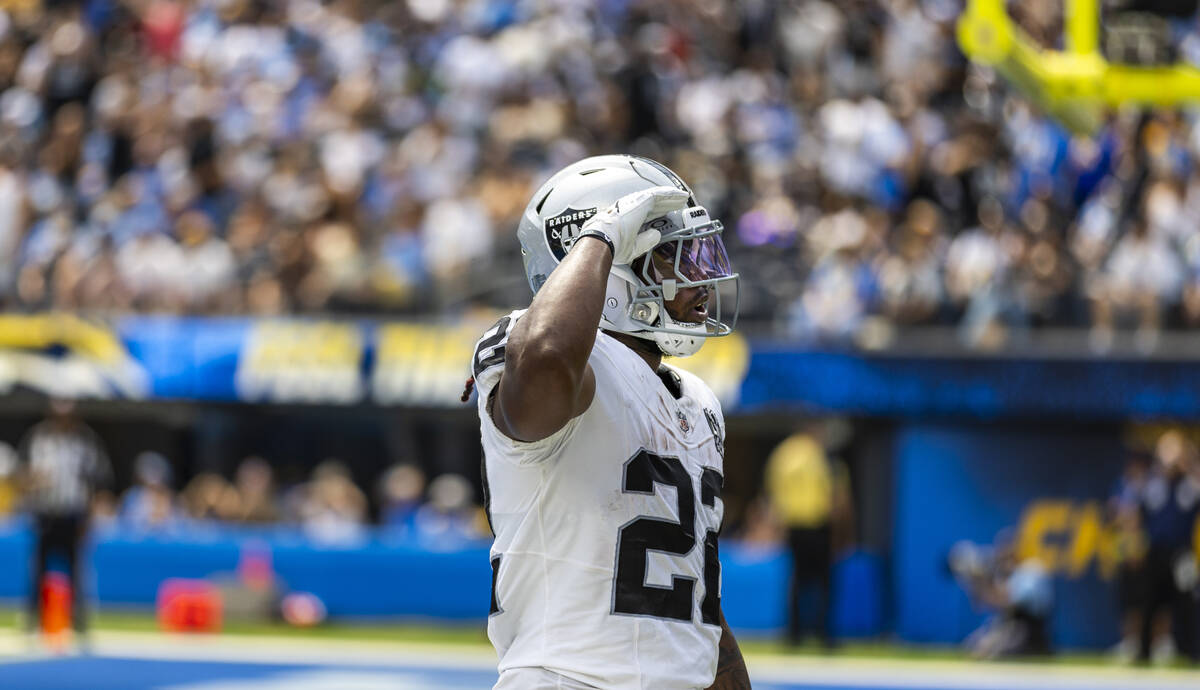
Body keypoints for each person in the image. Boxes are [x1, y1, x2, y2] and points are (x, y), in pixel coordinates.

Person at [469, 155, 749, 689]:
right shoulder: (534, 349)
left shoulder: (697, 400)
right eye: (674, 257)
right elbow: (550, 358)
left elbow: (691, 603)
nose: (702, 278)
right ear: (612, 265)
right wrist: (600, 236)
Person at [17, 398, 112, 638]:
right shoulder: (37, 438)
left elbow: (98, 479)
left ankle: (78, 623)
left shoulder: (85, 440)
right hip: (45, 513)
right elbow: (21, 475)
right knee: (38, 570)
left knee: (76, 571)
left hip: (73, 514)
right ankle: (34, 621)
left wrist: (90, 516)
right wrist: (32, 480)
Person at [764, 427, 850, 648]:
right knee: (824, 582)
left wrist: (779, 523)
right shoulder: (823, 455)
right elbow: (837, 496)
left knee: (797, 581)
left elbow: (774, 490)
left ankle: (794, 635)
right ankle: (824, 634)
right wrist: (842, 529)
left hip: (795, 525)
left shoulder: (784, 454)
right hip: (818, 524)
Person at [1133, 429, 1200, 664]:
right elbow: (1140, 513)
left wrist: (1189, 465)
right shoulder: (1154, 484)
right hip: (1156, 552)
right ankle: (1144, 651)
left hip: (1182, 553)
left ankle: (1193, 651)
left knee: (1188, 603)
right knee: (1149, 602)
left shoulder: (1191, 483)